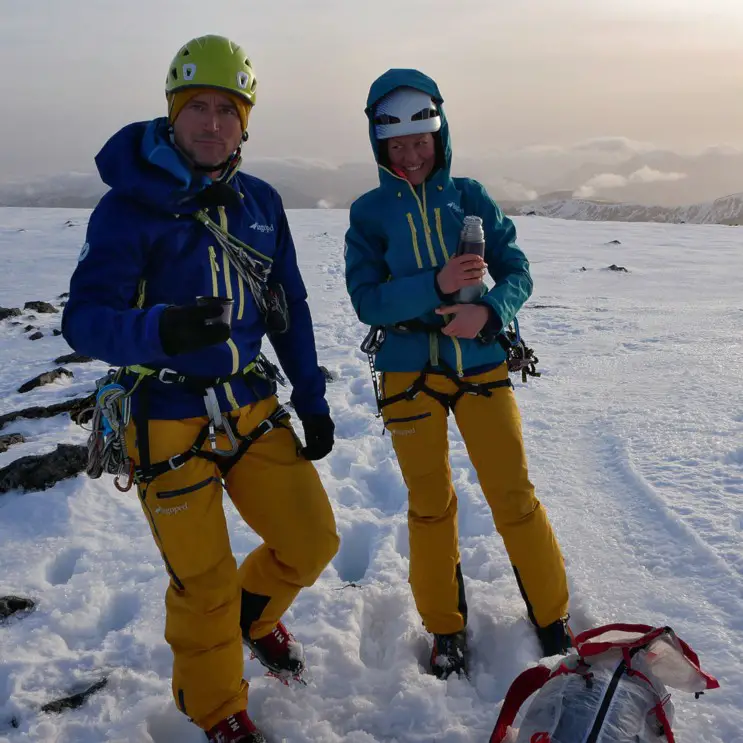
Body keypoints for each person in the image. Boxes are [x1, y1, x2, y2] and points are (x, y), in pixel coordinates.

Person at [62, 35, 339, 743]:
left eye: (227, 108)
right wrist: (160, 331)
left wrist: (310, 398)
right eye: (197, 108)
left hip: (248, 404)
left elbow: (289, 309)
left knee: (310, 540)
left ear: (246, 121)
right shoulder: (129, 209)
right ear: (172, 113)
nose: (212, 123)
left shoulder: (261, 204)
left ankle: (255, 615)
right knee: (203, 582)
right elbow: (85, 320)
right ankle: (217, 708)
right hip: (163, 419)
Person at [344, 69, 570, 680]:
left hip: (481, 363)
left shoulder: (469, 197)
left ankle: (552, 618)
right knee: (429, 505)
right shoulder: (367, 214)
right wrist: (436, 286)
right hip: (407, 373)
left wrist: (490, 310)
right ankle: (446, 630)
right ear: (380, 147)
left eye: (421, 142)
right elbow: (368, 300)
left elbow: (517, 269)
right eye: (397, 146)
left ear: (440, 139)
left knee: (514, 497)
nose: (411, 156)